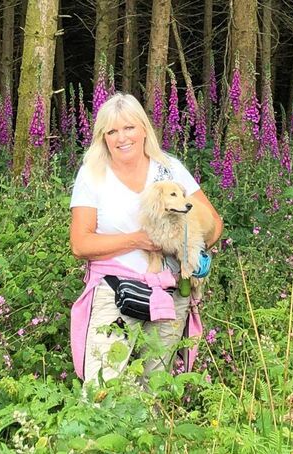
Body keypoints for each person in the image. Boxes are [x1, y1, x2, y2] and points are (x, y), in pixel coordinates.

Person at [69, 92, 223, 384]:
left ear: (143, 129)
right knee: (103, 383)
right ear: (102, 137)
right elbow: (80, 244)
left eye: (129, 128)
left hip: (170, 291)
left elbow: (213, 223)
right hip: (115, 291)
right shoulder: (92, 175)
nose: (121, 137)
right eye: (112, 131)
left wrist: (195, 248)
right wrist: (138, 240)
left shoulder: (169, 169)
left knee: (156, 388)